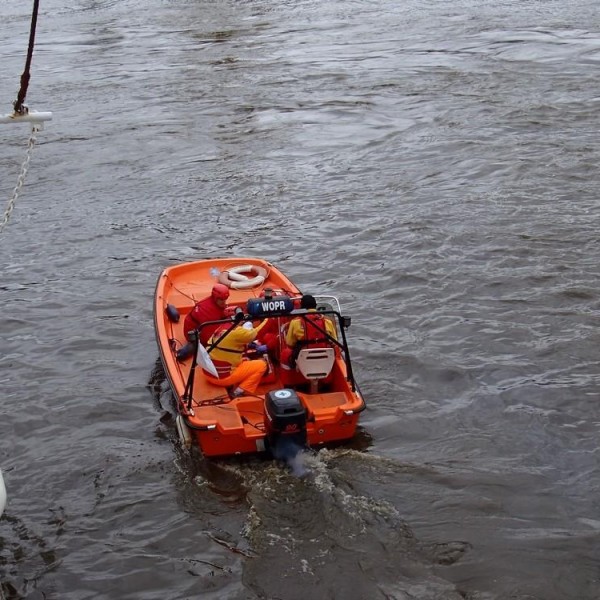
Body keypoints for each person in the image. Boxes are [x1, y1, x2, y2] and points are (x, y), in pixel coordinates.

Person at [205, 319, 270, 397]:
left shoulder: (220, 328)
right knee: (262, 365)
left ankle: (232, 385)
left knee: (245, 359)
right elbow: (256, 333)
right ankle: (238, 392)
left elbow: (232, 345)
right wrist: (268, 319)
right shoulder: (237, 332)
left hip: (208, 374)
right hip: (222, 378)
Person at [280, 294, 338, 368]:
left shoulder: (295, 322)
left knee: (285, 353)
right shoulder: (327, 321)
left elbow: (289, 343)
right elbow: (335, 341)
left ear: (302, 307)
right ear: (315, 305)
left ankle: (290, 376)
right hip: (325, 358)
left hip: (304, 359)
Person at [176, 283, 230, 361]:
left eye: (225, 299)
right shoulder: (207, 312)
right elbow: (209, 336)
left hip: (204, 327)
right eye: (221, 300)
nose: (224, 302)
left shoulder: (216, 304)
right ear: (215, 298)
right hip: (195, 333)